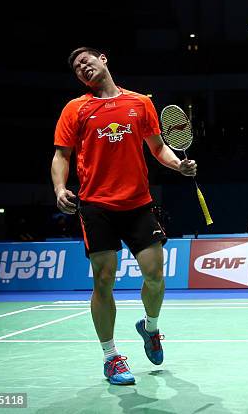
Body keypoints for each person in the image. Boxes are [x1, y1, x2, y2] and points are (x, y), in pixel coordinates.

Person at [51, 47, 197, 385]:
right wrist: (60, 189)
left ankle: (151, 328)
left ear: (103, 59)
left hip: (137, 203)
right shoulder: (75, 108)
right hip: (95, 204)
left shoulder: (140, 103)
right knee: (103, 279)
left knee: (155, 276)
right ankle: (111, 357)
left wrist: (179, 165)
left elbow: (158, 147)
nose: (82, 68)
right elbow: (62, 155)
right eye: (76, 68)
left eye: (86, 61)